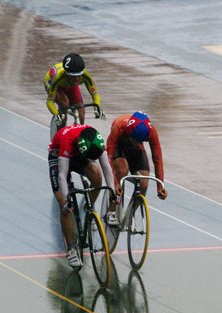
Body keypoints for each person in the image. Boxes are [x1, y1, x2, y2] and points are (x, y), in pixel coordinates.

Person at [48, 124, 117, 269]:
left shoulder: (97, 140)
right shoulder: (67, 140)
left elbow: (107, 169)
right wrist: (67, 200)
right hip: (59, 156)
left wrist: (113, 193)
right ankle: (71, 248)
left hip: (80, 156)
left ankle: (88, 207)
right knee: (63, 202)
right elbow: (61, 175)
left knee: (97, 175)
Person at [106, 111, 168, 225]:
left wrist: (160, 186)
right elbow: (108, 159)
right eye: (133, 140)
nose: (135, 143)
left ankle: (131, 213)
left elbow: (157, 159)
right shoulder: (118, 127)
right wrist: (115, 183)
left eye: (139, 141)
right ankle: (111, 210)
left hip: (136, 151)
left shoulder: (152, 132)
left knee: (144, 183)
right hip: (119, 147)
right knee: (122, 170)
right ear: (129, 132)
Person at [44, 53, 105, 128]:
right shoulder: (58, 78)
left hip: (70, 84)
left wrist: (97, 108)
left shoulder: (86, 75)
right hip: (54, 83)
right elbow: (49, 102)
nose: (77, 79)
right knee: (64, 104)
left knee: (81, 114)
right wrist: (56, 114)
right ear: (66, 74)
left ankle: (76, 134)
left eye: (79, 76)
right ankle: (61, 131)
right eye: (74, 77)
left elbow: (95, 95)